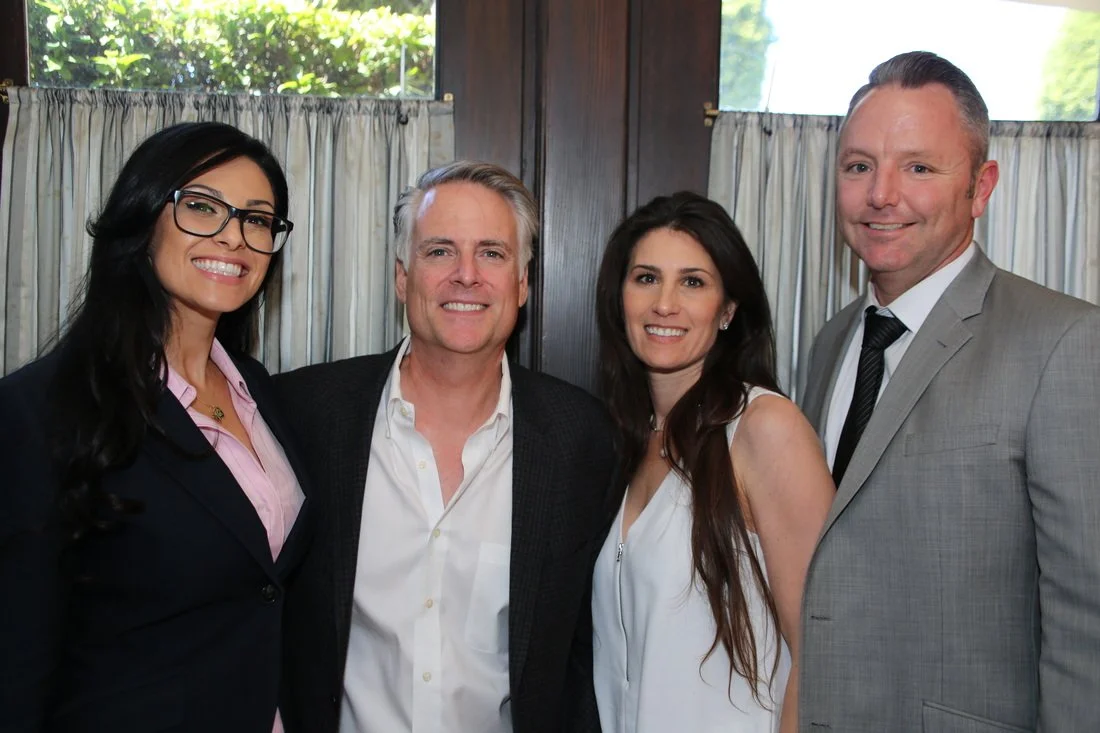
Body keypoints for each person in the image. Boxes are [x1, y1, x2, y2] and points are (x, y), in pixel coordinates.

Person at [799, 51, 1100, 732]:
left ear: (981, 185)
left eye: (919, 167)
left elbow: (1088, 620)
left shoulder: (1063, 344)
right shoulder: (831, 343)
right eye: (858, 166)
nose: (882, 194)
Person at [274, 161, 618, 733]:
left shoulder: (579, 439)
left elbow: (584, 650)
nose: (466, 275)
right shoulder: (306, 416)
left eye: (492, 253)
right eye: (439, 252)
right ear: (401, 277)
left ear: (523, 282)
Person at [0, 122, 311, 732]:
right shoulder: (40, 410)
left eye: (257, 219)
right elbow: (17, 660)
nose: (234, 237)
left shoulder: (263, 392)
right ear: (143, 218)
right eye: (201, 207)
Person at [591, 191, 834, 733]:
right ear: (620, 298)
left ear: (728, 310)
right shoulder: (622, 444)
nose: (665, 304)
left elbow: (822, 650)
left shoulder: (763, 428)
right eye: (646, 278)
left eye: (693, 282)